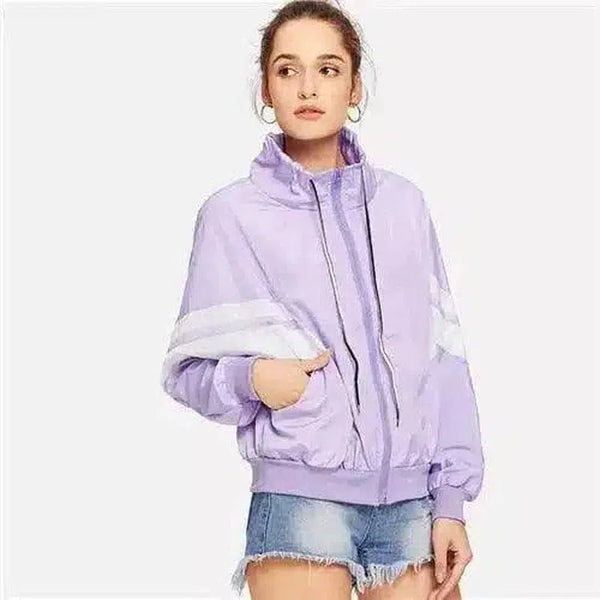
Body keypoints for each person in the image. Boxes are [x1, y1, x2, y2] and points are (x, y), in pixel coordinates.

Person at [160, 1, 485, 598]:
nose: (308, 87)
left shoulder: (404, 206)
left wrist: (451, 501)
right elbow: (187, 373)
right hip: (301, 502)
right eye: (288, 70)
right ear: (266, 89)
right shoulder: (232, 215)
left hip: (413, 506)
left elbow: (444, 360)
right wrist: (254, 379)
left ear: (354, 87)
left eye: (328, 69)